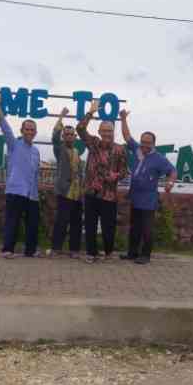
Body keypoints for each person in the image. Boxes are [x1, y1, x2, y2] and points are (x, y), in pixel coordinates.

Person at [118, 109, 176, 264]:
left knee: (146, 229)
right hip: (135, 197)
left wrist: (170, 183)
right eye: (143, 141)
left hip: (149, 199)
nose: (144, 145)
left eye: (148, 143)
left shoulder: (159, 159)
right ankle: (132, 253)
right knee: (134, 228)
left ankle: (145, 256)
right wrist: (123, 119)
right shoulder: (137, 149)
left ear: (153, 144)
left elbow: (172, 171)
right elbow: (126, 136)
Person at [76, 99, 128, 263]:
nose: (107, 134)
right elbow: (80, 128)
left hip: (109, 195)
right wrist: (91, 112)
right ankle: (91, 253)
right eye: (104, 131)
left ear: (113, 132)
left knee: (108, 227)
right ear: (99, 131)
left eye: (110, 131)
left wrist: (117, 176)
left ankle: (108, 252)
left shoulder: (120, 149)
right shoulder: (94, 143)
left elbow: (125, 171)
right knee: (90, 225)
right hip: (91, 192)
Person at [0, 92, 41, 259]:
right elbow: (3, 124)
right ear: (22, 130)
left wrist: (36, 193)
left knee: (32, 224)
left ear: (35, 132)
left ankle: (30, 250)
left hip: (32, 194)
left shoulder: (36, 151)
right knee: (12, 221)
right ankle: (8, 250)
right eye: (27, 129)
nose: (29, 132)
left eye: (32, 130)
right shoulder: (14, 144)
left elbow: (35, 173)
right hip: (15, 190)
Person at [50, 106, 84, 258]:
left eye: (72, 135)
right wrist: (61, 117)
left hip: (77, 192)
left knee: (76, 222)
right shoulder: (59, 149)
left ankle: (74, 250)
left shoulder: (77, 152)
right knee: (61, 221)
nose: (69, 137)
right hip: (64, 190)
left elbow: (79, 172)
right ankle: (56, 248)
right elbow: (54, 137)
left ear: (75, 137)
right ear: (64, 137)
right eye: (67, 134)